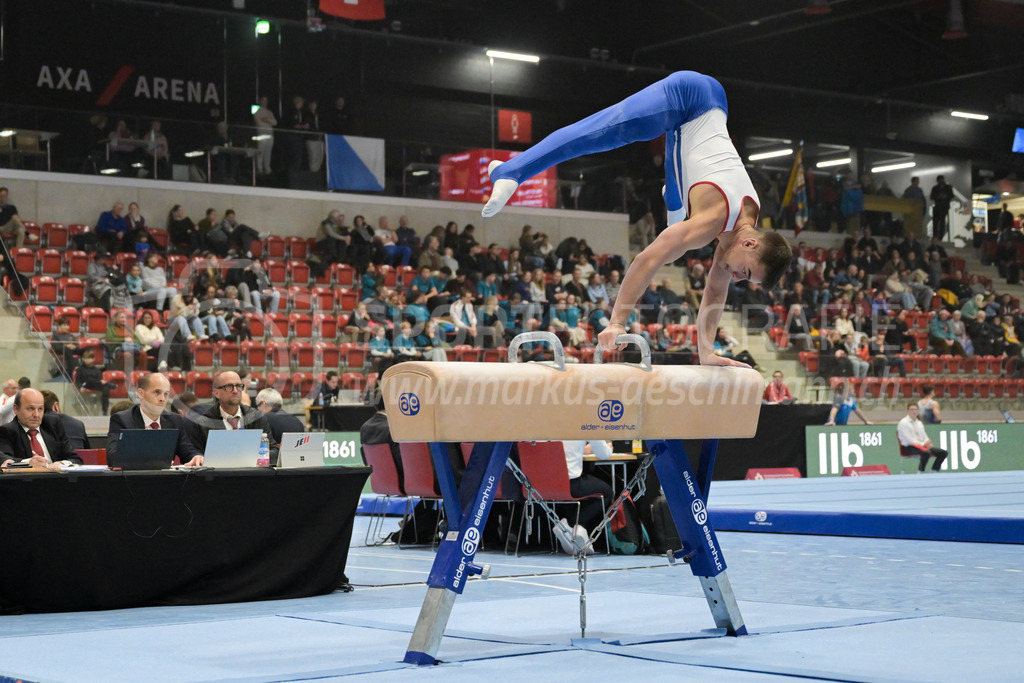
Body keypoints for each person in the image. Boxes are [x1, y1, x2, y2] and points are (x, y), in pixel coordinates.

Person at [480, 72, 791, 365]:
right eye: (745, 272)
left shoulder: (743, 229)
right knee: (606, 130)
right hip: (690, 97)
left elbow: (715, 291)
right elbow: (645, 260)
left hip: (710, 113)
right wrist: (617, 322)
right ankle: (511, 172)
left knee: (676, 229)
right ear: (750, 243)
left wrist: (707, 353)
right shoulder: (712, 222)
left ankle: (675, 198)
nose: (736, 278)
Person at [107, 372, 203, 466]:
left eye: (166, 394)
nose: (162, 399)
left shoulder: (174, 420)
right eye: (157, 392)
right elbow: (113, 457)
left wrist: (196, 456)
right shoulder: (122, 420)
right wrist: (153, 461)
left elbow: (187, 450)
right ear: (141, 393)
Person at [183, 370, 279, 460]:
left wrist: (255, 458)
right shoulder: (202, 423)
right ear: (217, 393)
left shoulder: (256, 417)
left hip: (252, 471)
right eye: (229, 387)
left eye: (239, 386)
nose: (235, 391)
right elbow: (196, 455)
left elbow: (274, 450)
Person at [552, 439, 613, 555]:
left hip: (541, 486)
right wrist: (608, 447)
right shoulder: (583, 427)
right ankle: (574, 525)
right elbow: (604, 454)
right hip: (571, 484)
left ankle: (571, 529)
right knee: (607, 493)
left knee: (579, 491)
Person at [0, 388, 82, 469]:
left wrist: (61, 464)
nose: (36, 415)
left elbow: (75, 459)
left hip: (57, 476)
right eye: (30, 408)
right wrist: (28, 464)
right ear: (16, 409)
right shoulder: (7, 431)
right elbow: (6, 462)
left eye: (40, 409)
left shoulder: (52, 425)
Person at [897, 402, 948, 473]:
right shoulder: (903, 423)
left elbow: (924, 436)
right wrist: (922, 444)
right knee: (926, 453)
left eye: (916, 409)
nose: (914, 411)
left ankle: (934, 471)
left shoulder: (919, 423)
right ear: (907, 411)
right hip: (908, 447)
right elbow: (907, 439)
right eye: (912, 410)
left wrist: (927, 442)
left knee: (943, 453)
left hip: (921, 446)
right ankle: (920, 471)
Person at [252, 95, 277, 176]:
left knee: (268, 153)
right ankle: (259, 169)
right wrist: (269, 122)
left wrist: (266, 120)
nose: (264, 102)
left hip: (270, 135)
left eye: (266, 101)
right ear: (260, 101)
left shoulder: (269, 112)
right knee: (260, 152)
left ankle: (267, 168)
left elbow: (275, 122)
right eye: (263, 100)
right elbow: (258, 123)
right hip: (261, 134)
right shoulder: (257, 111)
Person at [929, 175, 954, 241]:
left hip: (944, 207)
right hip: (937, 207)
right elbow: (931, 197)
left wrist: (945, 196)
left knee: (942, 223)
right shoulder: (935, 188)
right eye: (939, 180)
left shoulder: (948, 187)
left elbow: (951, 195)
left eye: (942, 179)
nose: (941, 181)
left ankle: (940, 237)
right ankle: (935, 236)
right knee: (936, 223)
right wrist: (938, 196)